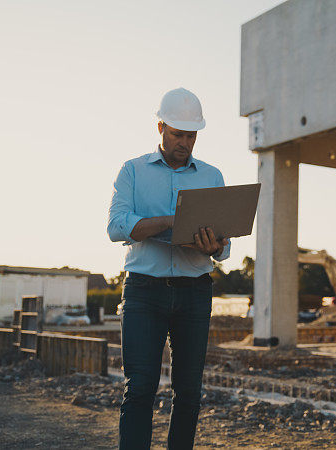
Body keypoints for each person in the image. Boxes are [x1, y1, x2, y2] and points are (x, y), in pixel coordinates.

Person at [107, 87, 230, 449]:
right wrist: (170, 223)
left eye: (191, 135)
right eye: (178, 134)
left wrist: (216, 245)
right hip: (144, 291)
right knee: (140, 388)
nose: (185, 143)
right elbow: (116, 226)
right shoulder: (132, 171)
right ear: (160, 127)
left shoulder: (212, 176)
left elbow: (224, 246)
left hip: (195, 291)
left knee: (189, 393)